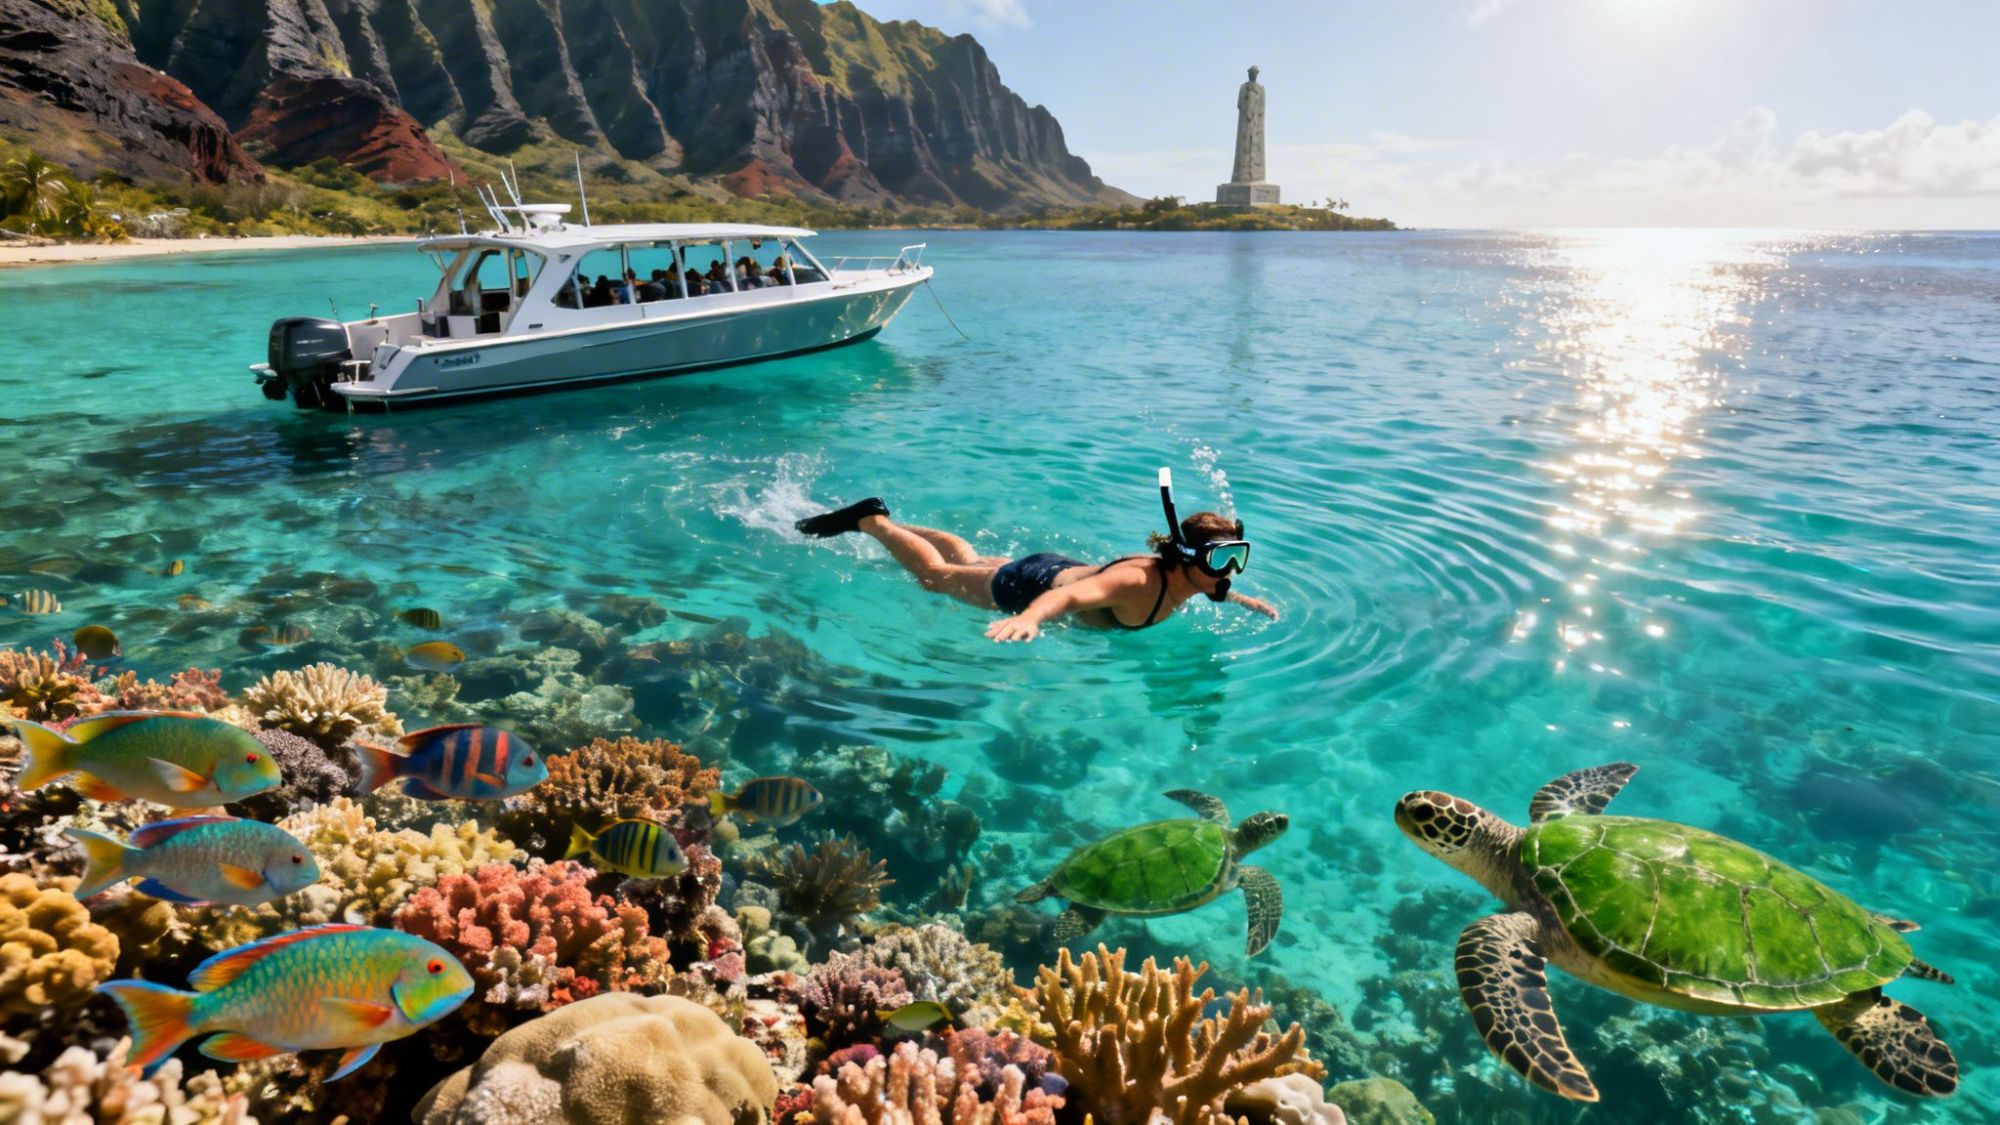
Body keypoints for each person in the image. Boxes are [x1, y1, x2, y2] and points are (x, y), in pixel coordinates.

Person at [794, 471, 1278, 642]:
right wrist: (1029, 618)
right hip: (1034, 586)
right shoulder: (1137, 585)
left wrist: (1243, 600)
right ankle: (872, 520)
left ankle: (894, 525)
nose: (1229, 572)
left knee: (977, 559)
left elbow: (1217, 582)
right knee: (935, 576)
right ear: (1188, 559)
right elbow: (1068, 599)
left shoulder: (1187, 574)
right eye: (1221, 561)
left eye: (1238, 558)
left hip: (1049, 563)